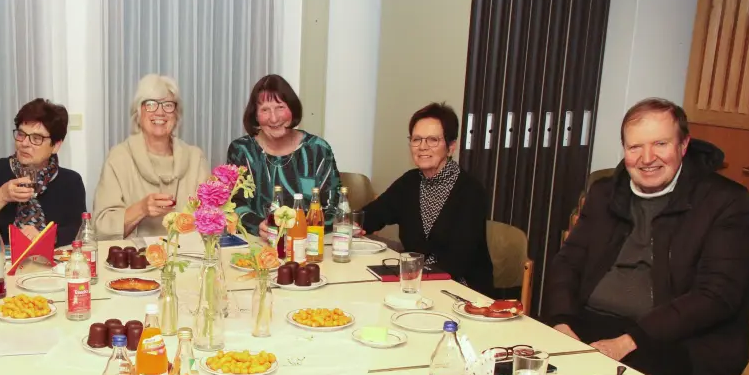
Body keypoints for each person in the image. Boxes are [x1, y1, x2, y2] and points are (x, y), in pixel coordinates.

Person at [542, 98, 749, 375]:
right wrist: (562, 323)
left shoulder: (725, 201)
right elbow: (567, 262)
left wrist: (628, 341)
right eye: (635, 147)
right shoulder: (605, 192)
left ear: (683, 146)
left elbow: (716, 295)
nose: (647, 158)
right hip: (591, 324)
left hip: (671, 339)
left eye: (660, 144)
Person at [361, 103, 493, 293]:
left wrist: (411, 279)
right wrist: (350, 223)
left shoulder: (471, 191)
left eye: (433, 140)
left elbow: (457, 262)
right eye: (416, 139)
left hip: (460, 290)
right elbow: (373, 214)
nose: (422, 147)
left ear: (451, 146)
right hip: (416, 283)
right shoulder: (410, 182)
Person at [0, 98, 86, 247]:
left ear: (55, 145)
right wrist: (0, 197)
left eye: (36, 138)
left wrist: (47, 237)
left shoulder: (70, 181)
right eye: (21, 134)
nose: (24, 143)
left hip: (51, 267)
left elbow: (79, 232)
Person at [93, 74, 209, 240]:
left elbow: (212, 222)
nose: (160, 112)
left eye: (168, 105)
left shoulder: (196, 159)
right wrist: (141, 209)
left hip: (188, 259)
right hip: (135, 261)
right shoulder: (119, 158)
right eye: (151, 105)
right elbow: (101, 228)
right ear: (138, 113)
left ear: (176, 115)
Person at [227, 74, 342, 237]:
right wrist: (258, 226)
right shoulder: (241, 150)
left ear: (292, 108)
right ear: (255, 115)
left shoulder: (318, 150)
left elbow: (333, 208)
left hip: (310, 244)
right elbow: (234, 204)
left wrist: (300, 230)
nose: (274, 118)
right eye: (265, 110)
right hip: (256, 244)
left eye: (280, 107)